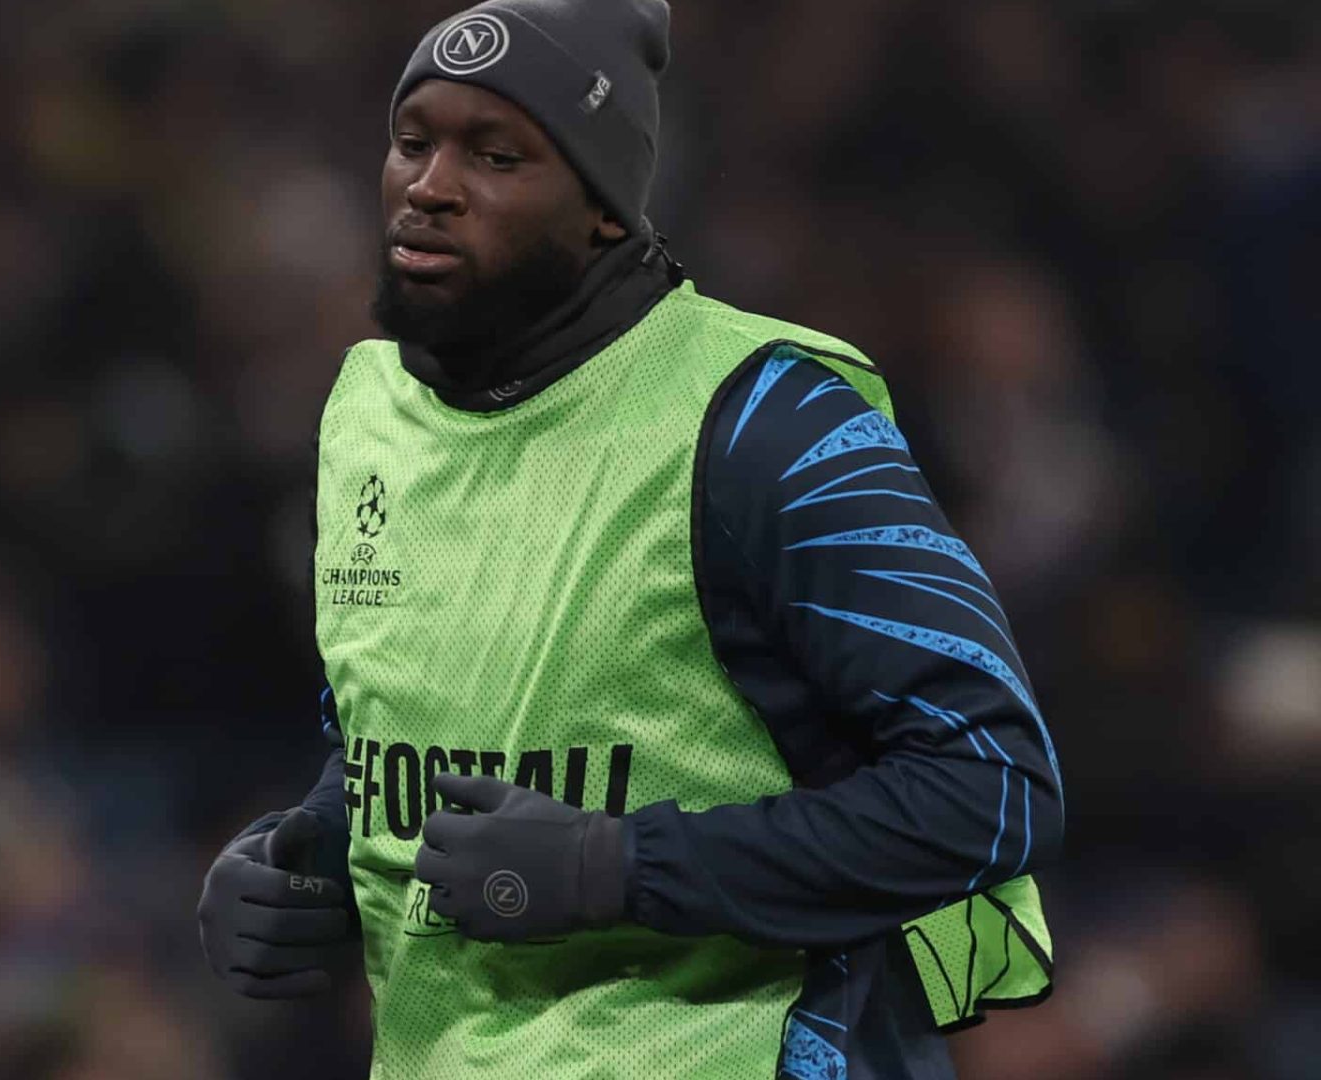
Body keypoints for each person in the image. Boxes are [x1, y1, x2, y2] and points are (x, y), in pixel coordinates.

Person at [197, 2, 1065, 1076]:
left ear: (603, 207)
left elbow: (992, 789)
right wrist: (310, 853)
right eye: (413, 142)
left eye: (496, 154)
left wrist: (624, 866)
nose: (428, 186)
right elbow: (398, 739)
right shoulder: (366, 414)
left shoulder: (768, 422)